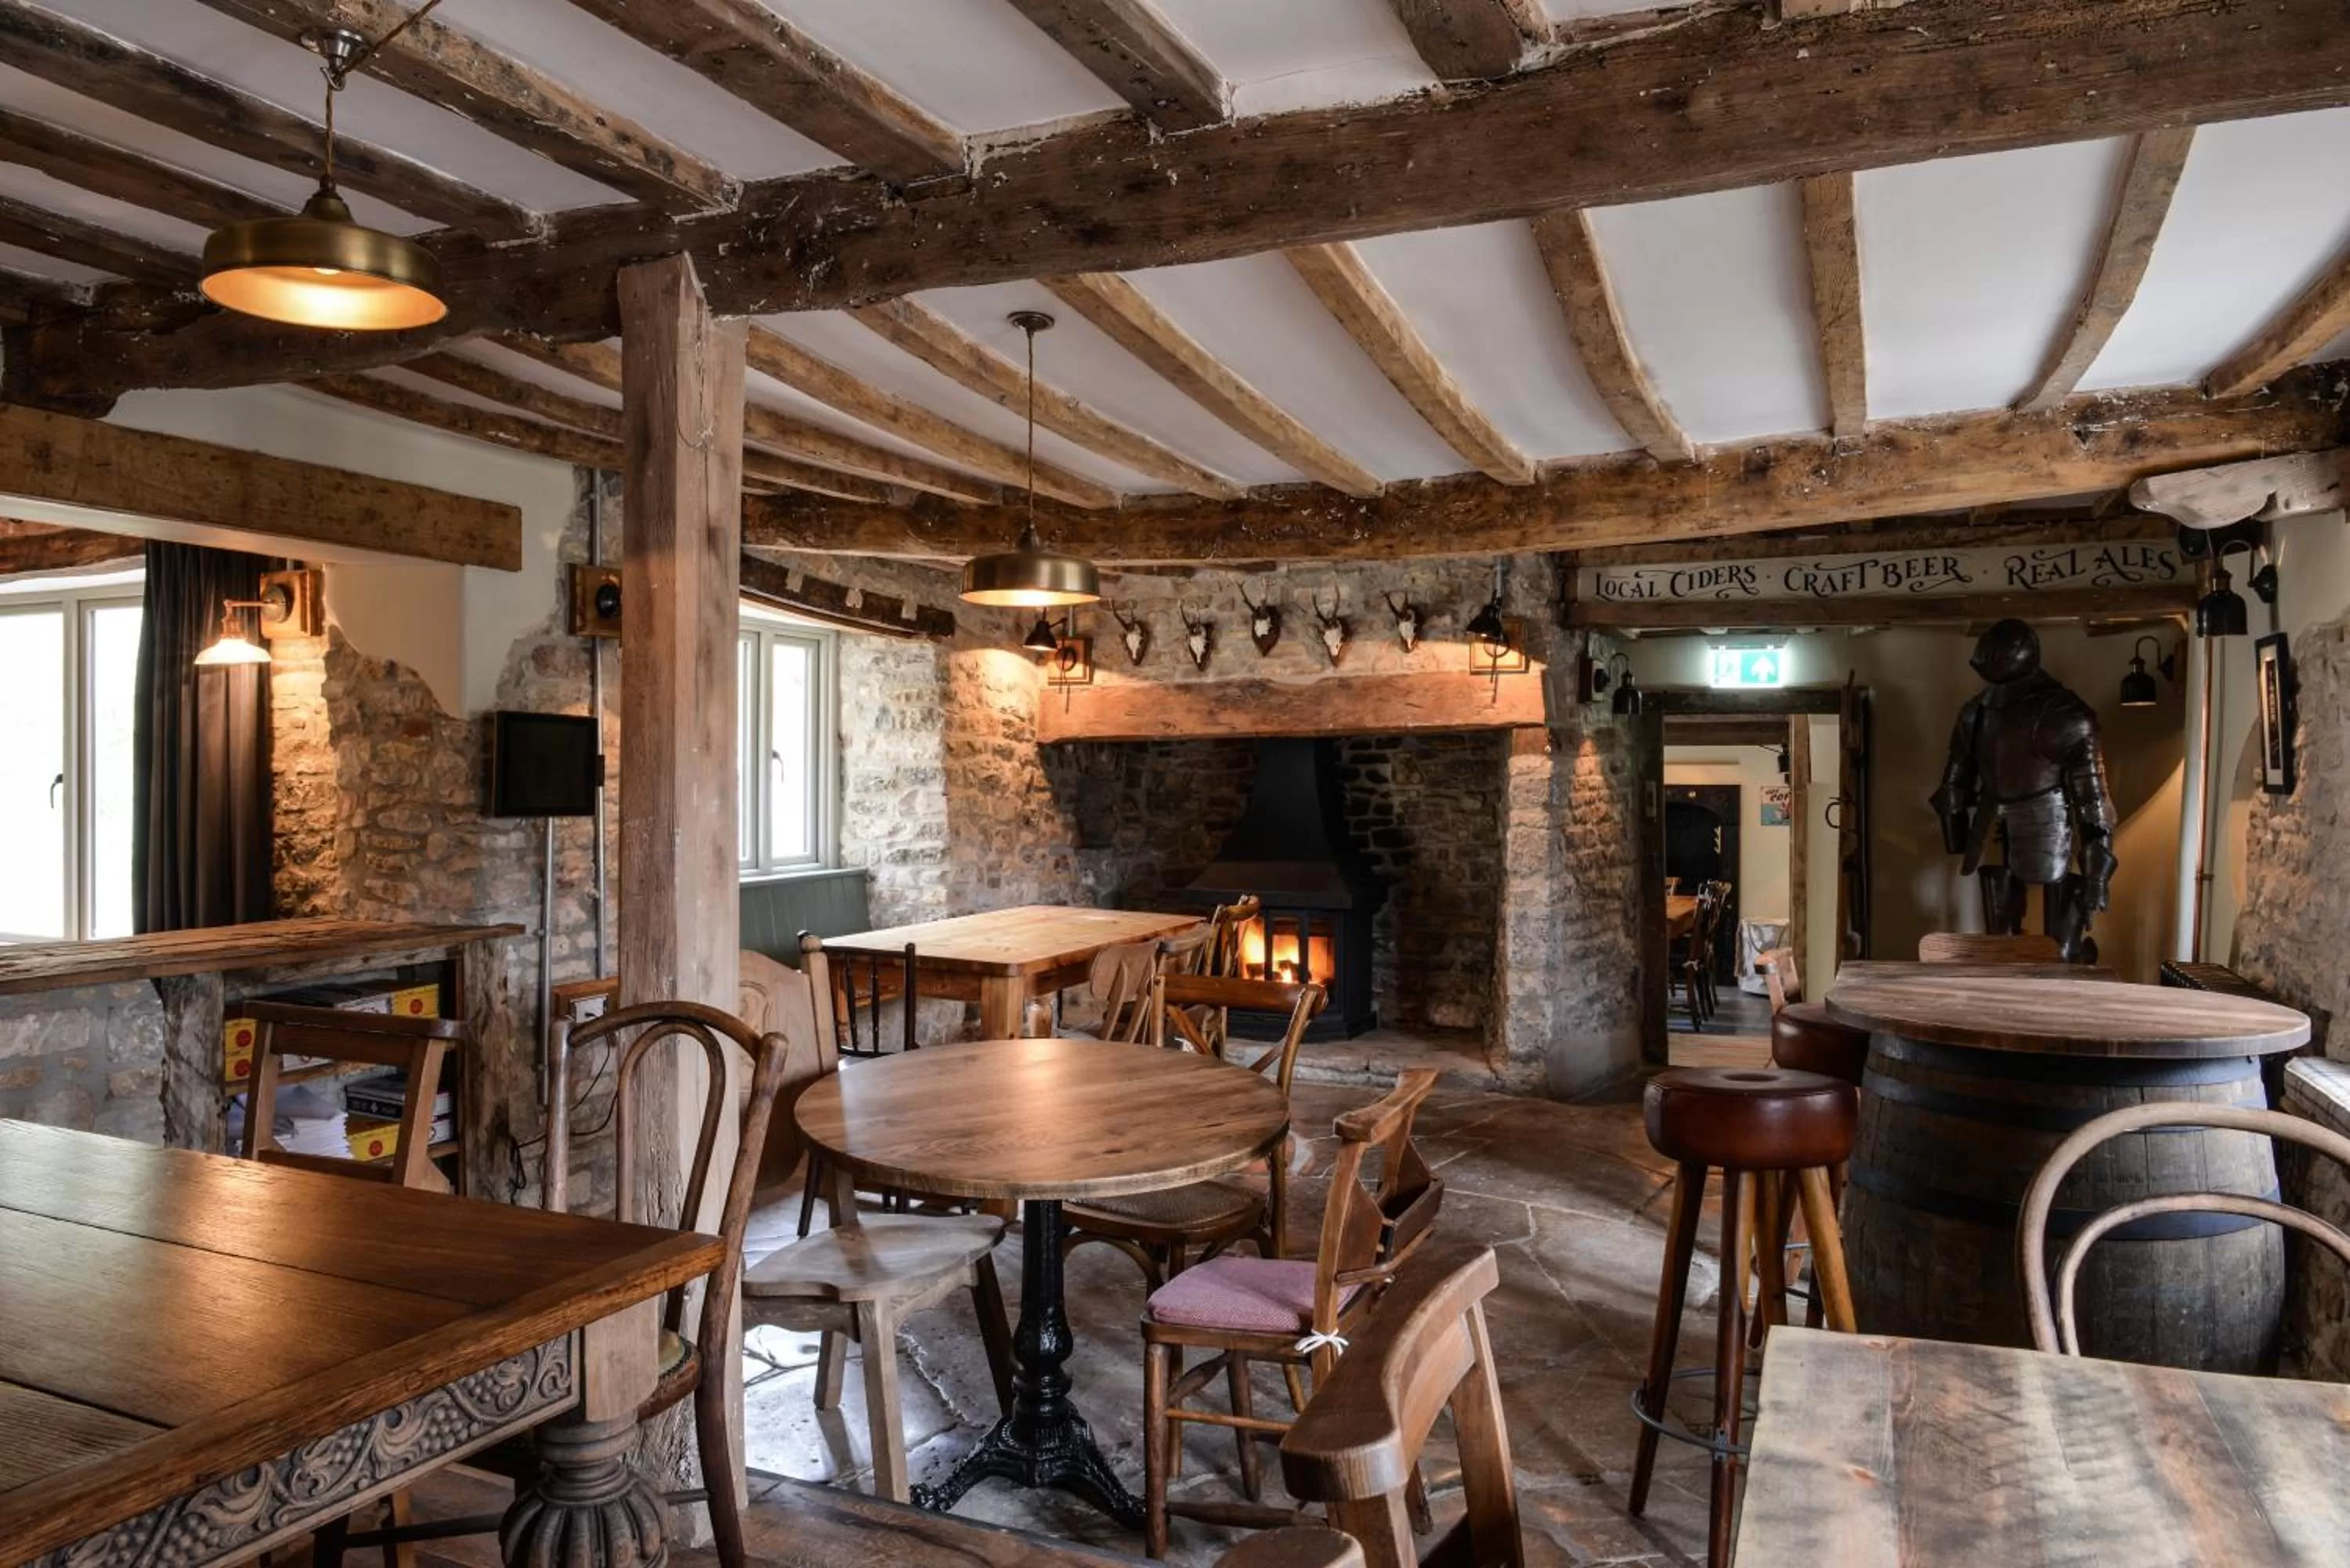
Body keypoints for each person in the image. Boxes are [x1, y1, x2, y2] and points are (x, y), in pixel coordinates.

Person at [1929, 620, 2117, 962]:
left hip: (2047, 819)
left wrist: (2096, 879)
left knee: (2060, 954)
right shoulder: (1977, 712)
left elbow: (2093, 803)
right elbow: (1954, 784)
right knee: (1999, 947)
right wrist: (1955, 835)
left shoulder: (2064, 714)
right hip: (1991, 824)